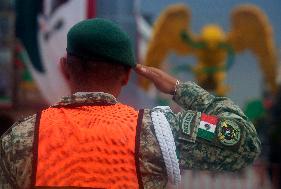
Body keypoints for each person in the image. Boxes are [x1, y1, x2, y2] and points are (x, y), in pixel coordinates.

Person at [0, 18, 260, 189]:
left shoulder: (20, 138)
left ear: (64, 67)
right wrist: (179, 88)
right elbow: (244, 140)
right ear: (127, 76)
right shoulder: (159, 131)